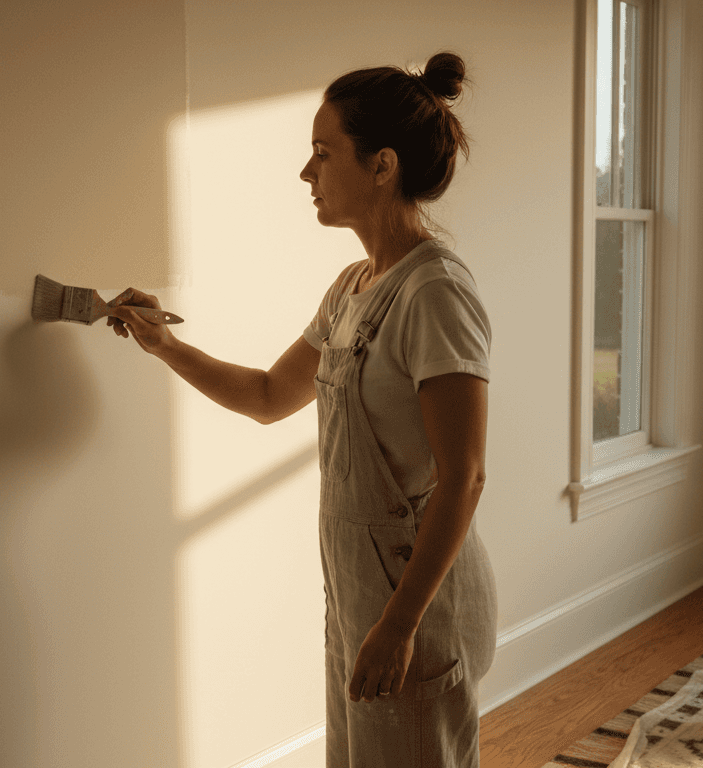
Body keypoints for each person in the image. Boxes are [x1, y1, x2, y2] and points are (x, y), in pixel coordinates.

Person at [107, 51, 497, 768]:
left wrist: (400, 622)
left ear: (381, 166)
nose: (306, 173)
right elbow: (265, 396)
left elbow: (464, 477)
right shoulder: (352, 287)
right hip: (359, 597)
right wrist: (162, 344)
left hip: (419, 605)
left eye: (323, 153)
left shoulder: (435, 292)